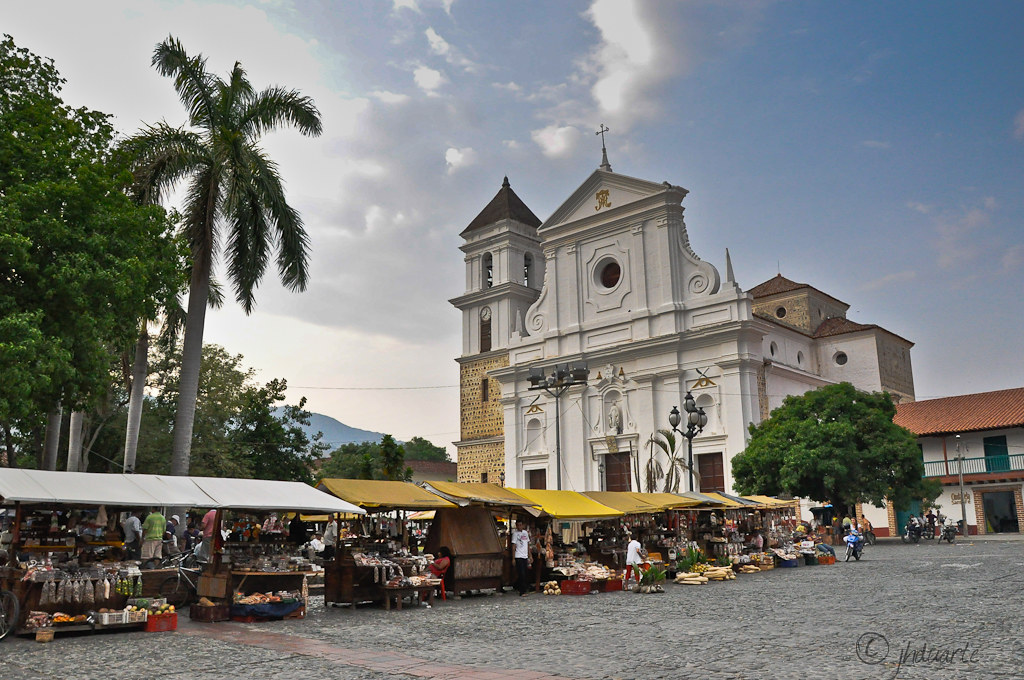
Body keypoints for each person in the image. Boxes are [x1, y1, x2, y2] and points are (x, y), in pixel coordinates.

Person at [511, 521, 531, 596]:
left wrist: (530, 555)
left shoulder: (525, 533)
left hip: (525, 556)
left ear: (523, 525)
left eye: (520, 525)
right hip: (518, 556)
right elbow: (514, 546)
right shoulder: (515, 534)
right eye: (518, 525)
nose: (519, 526)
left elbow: (528, 544)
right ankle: (522, 591)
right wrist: (513, 558)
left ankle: (517, 586)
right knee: (521, 573)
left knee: (525, 573)